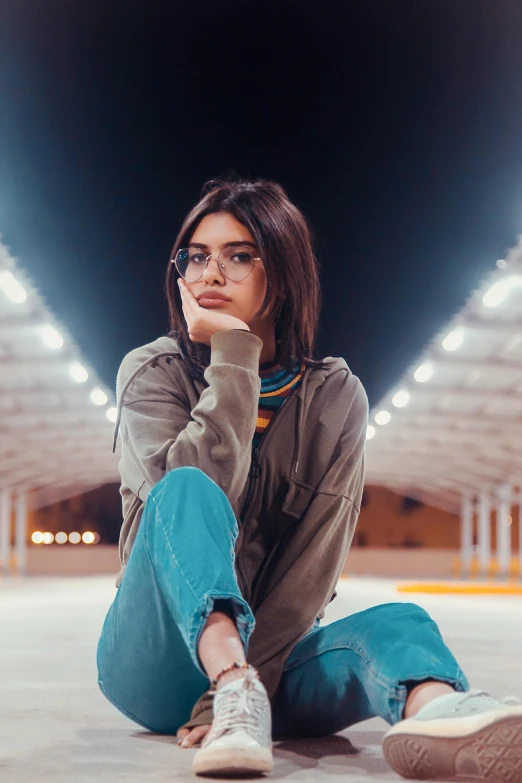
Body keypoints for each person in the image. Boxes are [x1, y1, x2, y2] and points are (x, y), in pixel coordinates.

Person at [97, 177, 522, 780]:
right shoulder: (153, 371)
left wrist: (255, 674)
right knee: (187, 487)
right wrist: (236, 355)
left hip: (271, 664)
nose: (211, 273)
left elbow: (312, 567)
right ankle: (232, 683)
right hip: (154, 659)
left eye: (240, 256)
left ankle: (444, 712)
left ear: (286, 273)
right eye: (196, 257)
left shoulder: (336, 397)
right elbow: (192, 490)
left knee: (398, 621)